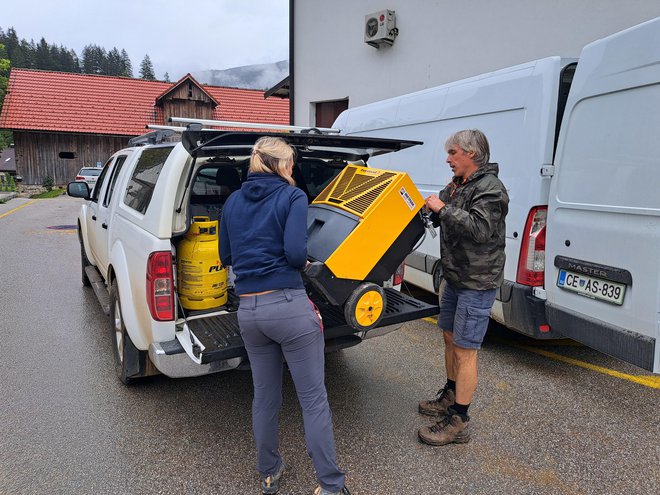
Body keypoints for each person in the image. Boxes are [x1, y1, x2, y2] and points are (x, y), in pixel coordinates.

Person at [219, 136, 350, 495]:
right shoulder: (293, 197)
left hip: (250, 312)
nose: (293, 170)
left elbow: (225, 254)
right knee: (312, 399)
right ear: (280, 166)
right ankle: (330, 485)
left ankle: (269, 471)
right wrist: (307, 262)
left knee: (265, 396)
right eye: (291, 164)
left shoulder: (232, 201)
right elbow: (295, 253)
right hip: (289, 308)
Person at [417, 129, 508, 446]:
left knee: (466, 350)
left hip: (476, 281)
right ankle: (450, 394)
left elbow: (480, 229)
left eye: (453, 152)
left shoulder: (491, 190)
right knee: (450, 337)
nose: (448, 158)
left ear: (471, 154)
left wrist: (442, 210)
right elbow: (441, 203)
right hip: (455, 276)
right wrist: (429, 207)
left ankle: (460, 420)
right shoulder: (459, 184)